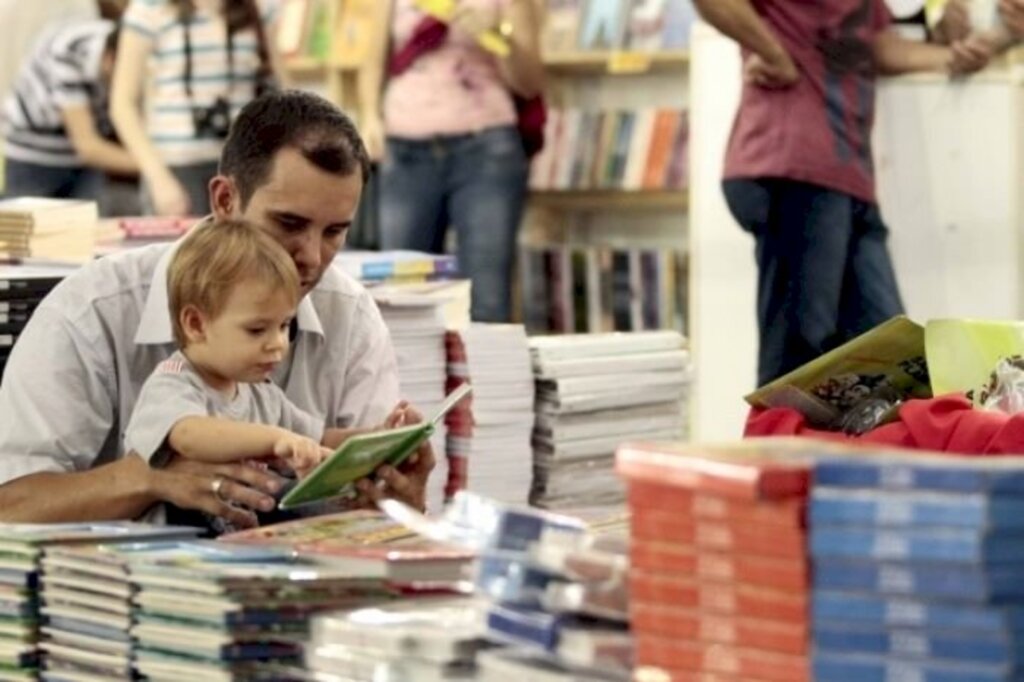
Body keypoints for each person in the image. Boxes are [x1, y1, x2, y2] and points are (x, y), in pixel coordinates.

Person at [0, 90, 433, 529]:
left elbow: (353, 493)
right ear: (225, 200)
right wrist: (147, 480)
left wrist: (398, 499)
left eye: (335, 232)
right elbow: (10, 504)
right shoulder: (89, 313)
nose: (311, 257)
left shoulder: (351, 316)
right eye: (288, 224)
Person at [691, 0, 993, 387]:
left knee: (893, 359)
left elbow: (877, 45)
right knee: (799, 358)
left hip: (847, 177)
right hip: (795, 165)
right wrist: (772, 52)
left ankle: (857, 445)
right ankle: (775, 447)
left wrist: (951, 56)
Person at [361, 0, 545, 322]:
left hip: (486, 150)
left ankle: (484, 372)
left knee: (485, 295)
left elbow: (530, 82)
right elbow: (372, 61)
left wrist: (495, 36)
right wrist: (369, 117)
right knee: (402, 292)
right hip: (405, 151)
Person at [110, 0, 287, 217]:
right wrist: (157, 177)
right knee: (179, 250)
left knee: (242, 250)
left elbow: (284, 91)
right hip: (174, 169)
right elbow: (122, 104)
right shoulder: (149, 8)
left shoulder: (259, 7)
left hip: (242, 166)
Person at [2, 18, 138, 207]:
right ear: (110, 59)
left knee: (87, 226)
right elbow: (88, 147)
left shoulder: (134, 43)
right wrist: (158, 167)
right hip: (34, 151)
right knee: (23, 226)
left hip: (86, 160)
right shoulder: (69, 53)